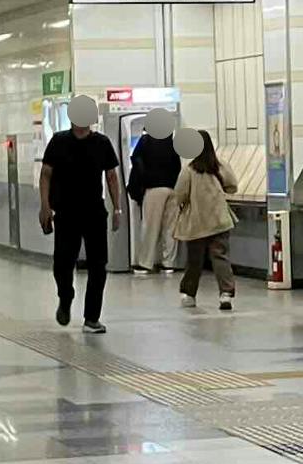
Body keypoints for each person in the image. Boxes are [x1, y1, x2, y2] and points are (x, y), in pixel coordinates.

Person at [37, 94, 119, 331]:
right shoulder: (59, 141)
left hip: (94, 212)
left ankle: (91, 318)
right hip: (65, 212)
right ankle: (66, 296)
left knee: (98, 265)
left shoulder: (101, 143)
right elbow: (46, 174)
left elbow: (112, 177)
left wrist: (118, 209)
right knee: (62, 263)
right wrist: (45, 206)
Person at [169, 126, 239, 312]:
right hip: (219, 220)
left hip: (196, 223)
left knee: (194, 260)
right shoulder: (220, 165)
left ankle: (189, 294)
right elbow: (232, 186)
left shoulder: (189, 170)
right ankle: (226, 294)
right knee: (221, 257)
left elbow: (179, 195)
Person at [126, 107, 181, 273]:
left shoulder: (146, 141)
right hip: (172, 189)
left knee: (150, 227)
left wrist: (141, 183)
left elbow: (136, 160)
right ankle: (169, 264)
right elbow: (177, 166)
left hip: (154, 189)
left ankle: (145, 263)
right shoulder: (172, 141)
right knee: (170, 229)